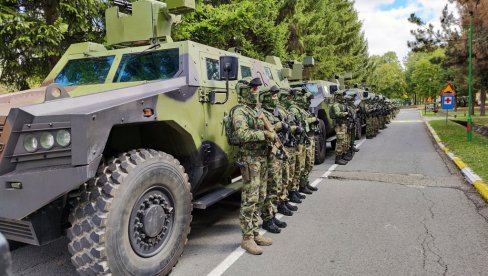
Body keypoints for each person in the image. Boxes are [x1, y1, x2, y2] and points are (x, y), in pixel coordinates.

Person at [232, 77, 273, 255]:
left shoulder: (255, 110)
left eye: (257, 89)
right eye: (253, 89)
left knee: (260, 196)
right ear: (244, 92)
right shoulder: (239, 112)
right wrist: (264, 134)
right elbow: (242, 134)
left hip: (261, 158)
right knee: (250, 198)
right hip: (250, 160)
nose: (256, 91)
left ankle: (255, 233)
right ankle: (247, 238)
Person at [258, 87, 289, 233]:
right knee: (269, 188)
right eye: (272, 96)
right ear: (264, 98)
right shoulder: (261, 113)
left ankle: (272, 215)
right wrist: (278, 126)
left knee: (275, 186)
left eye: (276, 96)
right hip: (267, 156)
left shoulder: (272, 113)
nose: (275, 98)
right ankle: (267, 219)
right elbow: (264, 130)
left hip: (274, 155)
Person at [331, 91, 349, 165]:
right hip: (339, 125)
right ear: (338, 96)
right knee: (340, 141)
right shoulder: (336, 105)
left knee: (343, 140)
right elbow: (338, 114)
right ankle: (338, 158)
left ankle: (342, 156)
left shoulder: (341, 104)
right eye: (341, 96)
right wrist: (346, 113)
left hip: (342, 125)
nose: (343, 97)